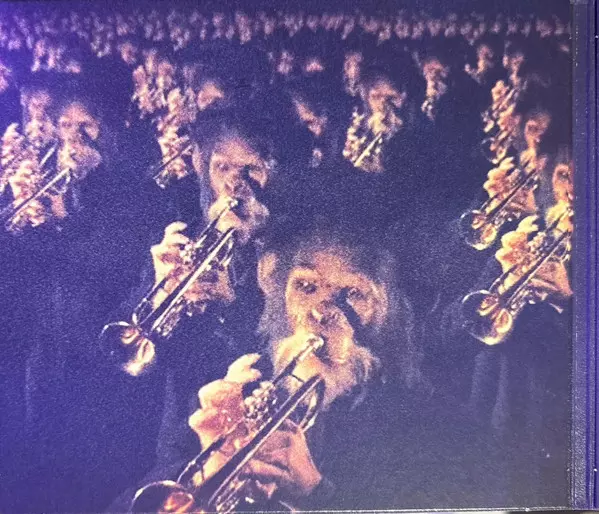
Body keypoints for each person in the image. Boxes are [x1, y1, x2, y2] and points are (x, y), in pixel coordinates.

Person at [106, 97, 312, 509]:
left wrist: (231, 305)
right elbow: (132, 360)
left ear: (276, 175)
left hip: (249, 439)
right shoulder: (185, 240)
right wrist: (161, 289)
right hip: (180, 431)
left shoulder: (299, 251)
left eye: (251, 170)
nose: (236, 184)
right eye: (223, 168)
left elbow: (286, 358)